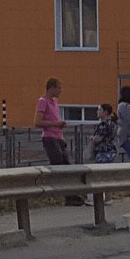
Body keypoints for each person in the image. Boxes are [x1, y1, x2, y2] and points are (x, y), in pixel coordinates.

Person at [34, 78, 84, 206]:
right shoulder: (43, 101)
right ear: (51, 88)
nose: (60, 91)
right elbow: (37, 122)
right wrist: (55, 124)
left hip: (58, 137)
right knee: (58, 165)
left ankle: (71, 195)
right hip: (50, 137)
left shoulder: (55, 102)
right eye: (59, 88)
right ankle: (67, 195)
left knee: (66, 165)